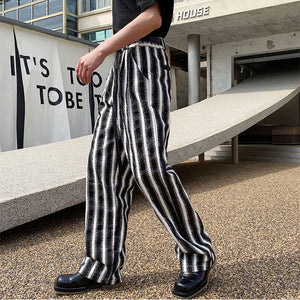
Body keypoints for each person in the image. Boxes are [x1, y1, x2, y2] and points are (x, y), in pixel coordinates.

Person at [54, 0, 215, 298]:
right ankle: (102, 264)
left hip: (144, 60)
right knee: (104, 167)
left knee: (148, 166)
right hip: (123, 65)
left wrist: (100, 50)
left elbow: (153, 18)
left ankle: (197, 254)